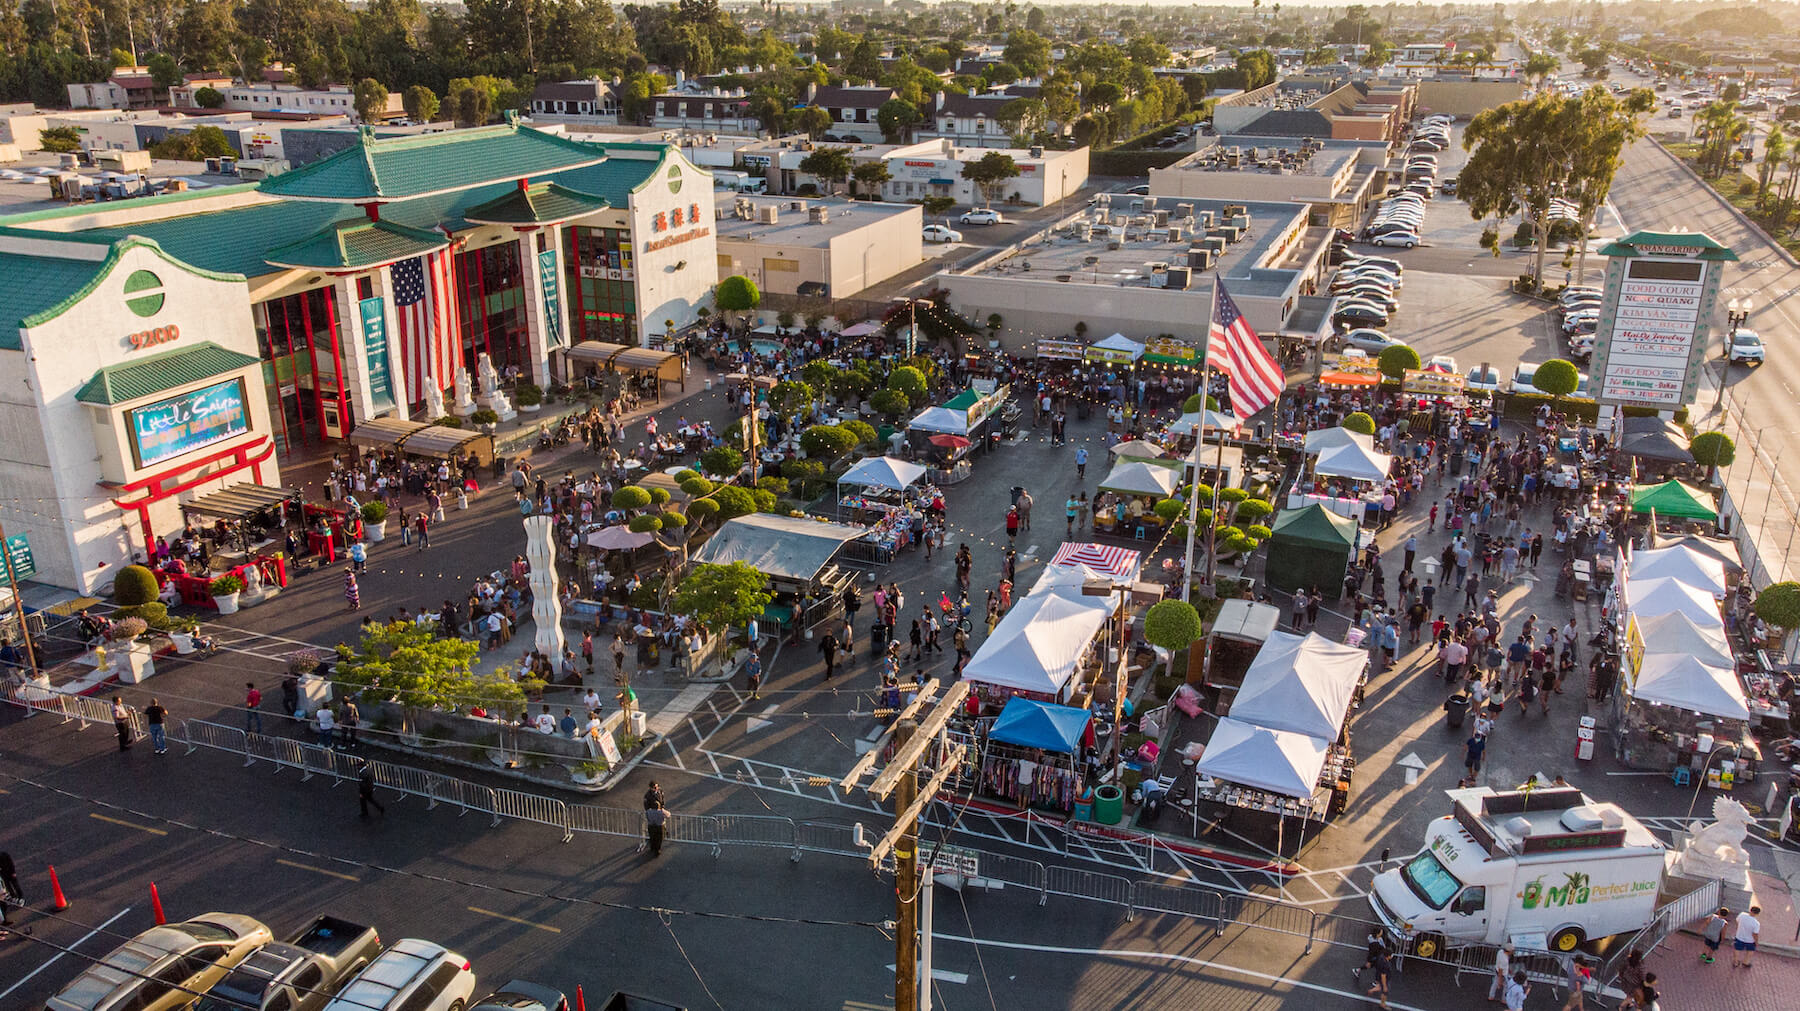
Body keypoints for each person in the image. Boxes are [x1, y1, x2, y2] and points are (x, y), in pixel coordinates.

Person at [0, 851, 22, 931]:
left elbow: (11, 863)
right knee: (2, 906)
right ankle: (3, 921)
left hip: (7, 875)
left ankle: (19, 898)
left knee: (15, 886)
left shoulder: (4, 855)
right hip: (4, 878)